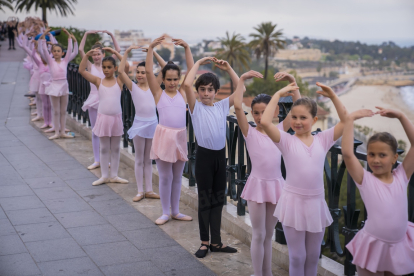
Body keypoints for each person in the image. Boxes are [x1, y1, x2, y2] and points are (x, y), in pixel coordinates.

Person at [261, 83, 347, 276]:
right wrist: (278, 94)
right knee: (297, 256)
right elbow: (266, 122)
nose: (297, 121)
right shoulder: (286, 141)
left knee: (313, 255)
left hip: (316, 204)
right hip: (293, 204)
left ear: (314, 119)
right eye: (294, 117)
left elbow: (345, 120)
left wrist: (333, 95)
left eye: (303, 117)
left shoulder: (323, 140)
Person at [234, 71, 301, 275]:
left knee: (269, 233)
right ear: (252, 114)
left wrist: (292, 83)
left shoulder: (280, 130)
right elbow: (237, 107)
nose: (260, 116)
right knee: (258, 233)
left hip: (275, 185)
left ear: (274, 111)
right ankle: (258, 273)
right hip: (257, 185)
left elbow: (298, 109)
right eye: (256, 112)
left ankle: (267, 273)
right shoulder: (249, 132)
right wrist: (242, 80)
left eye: (264, 111)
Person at [342, 107, 414, 276]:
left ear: (395, 157)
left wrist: (401, 116)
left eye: (382, 155)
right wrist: (350, 119)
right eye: (371, 154)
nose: (375, 160)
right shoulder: (365, 180)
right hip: (373, 245)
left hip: (398, 246)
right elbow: (347, 153)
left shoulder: (402, 176)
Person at [182, 56, 241, 257]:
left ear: (216, 92)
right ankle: (204, 242)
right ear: (198, 92)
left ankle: (217, 242)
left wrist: (229, 68)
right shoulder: (195, 108)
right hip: (204, 159)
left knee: (218, 201)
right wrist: (198, 63)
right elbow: (186, 84)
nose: (206, 93)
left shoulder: (222, 106)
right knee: (205, 201)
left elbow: (240, 91)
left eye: (210, 90)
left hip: (219, 159)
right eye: (202, 90)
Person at [145, 36, 194, 225]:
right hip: (164, 137)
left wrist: (187, 48)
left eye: (175, 79)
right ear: (163, 79)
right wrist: (150, 48)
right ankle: (165, 212)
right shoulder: (158, 93)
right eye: (169, 79)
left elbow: (191, 70)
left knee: (177, 177)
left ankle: (176, 211)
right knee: (165, 177)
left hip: (180, 136)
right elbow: (149, 72)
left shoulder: (183, 93)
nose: (172, 83)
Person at [79, 47, 130, 186]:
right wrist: (87, 55)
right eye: (104, 67)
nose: (106, 70)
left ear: (114, 68)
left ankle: (114, 175)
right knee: (104, 148)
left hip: (116, 118)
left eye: (109, 67)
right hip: (103, 118)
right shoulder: (98, 81)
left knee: (115, 148)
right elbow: (81, 70)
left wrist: (116, 53)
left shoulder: (119, 81)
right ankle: (104, 176)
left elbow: (126, 66)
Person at [118, 46, 160, 202]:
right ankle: (140, 191)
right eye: (138, 72)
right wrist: (127, 52)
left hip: (152, 125)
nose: (140, 75)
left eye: (143, 72)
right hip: (139, 125)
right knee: (139, 159)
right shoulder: (133, 87)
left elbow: (164, 67)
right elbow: (121, 72)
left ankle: (149, 190)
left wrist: (153, 52)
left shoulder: (154, 87)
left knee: (149, 160)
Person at [79, 30, 121, 170]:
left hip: (106, 100)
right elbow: (80, 50)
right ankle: (97, 160)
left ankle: (106, 160)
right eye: (94, 54)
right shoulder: (90, 66)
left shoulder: (107, 66)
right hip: (93, 98)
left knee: (108, 133)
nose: (96, 56)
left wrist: (112, 35)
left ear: (103, 55)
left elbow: (119, 51)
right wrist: (86, 34)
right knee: (95, 131)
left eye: (98, 54)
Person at [38, 28, 78, 140]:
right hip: (54, 86)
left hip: (64, 85)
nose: (56, 53)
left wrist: (72, 40)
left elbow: (72, 51)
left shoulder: (65, 61)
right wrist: (43, 37)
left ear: (62, 53)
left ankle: (62, 131)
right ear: (52, 52)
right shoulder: (50, 61)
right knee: (56, 111)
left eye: (58, 51)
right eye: (54, 51)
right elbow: (43, 51)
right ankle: (56, 132)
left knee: (63, 111)